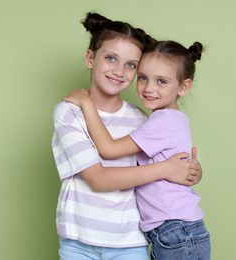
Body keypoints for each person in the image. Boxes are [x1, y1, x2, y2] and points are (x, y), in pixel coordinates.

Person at [52, 12, 204, 260]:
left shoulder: (142, 119)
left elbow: (172, 164)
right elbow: (99, 179)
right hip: (78, 239)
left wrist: (192, 170)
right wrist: (166, 169)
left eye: (131, 65)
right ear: (91, 58)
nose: (119, 71)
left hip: (129, 240)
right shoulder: (70, 113)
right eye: (110, 58)